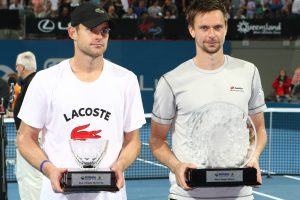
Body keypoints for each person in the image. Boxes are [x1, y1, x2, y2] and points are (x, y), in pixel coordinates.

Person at [16, 2, 145, 200]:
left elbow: (133, 139)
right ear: (72, 33)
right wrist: (49, 169)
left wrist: (121, 165)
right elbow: (25, 138)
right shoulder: (45, 80)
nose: (99, 36)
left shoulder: (126, 80)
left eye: (104, 31)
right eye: (91, 30)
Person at [149, 0, 267, 199]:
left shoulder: (249, 72)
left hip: (240, 195)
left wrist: (254, 156)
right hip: (186, 196)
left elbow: (259, 130)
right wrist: (177, 166)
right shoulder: (171, 81)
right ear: (191, 30)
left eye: (217, 27)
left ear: (226, 28)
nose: (212, 34)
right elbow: (156, 141)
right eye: (204, 28)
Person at [13, 51, 43, 200]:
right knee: (30, 177)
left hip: (30, 138)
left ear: (21, 67)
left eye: (17, 66)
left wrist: (23, 136)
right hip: (32, 137)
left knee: (29, 177)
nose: (16, 69)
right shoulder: (35, 82)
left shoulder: (33, 84)